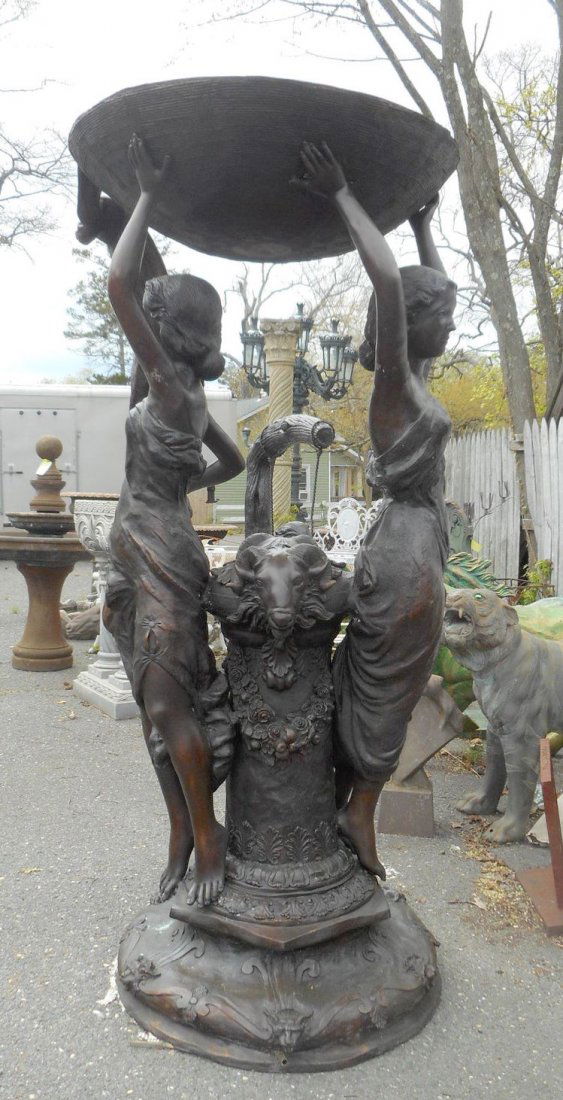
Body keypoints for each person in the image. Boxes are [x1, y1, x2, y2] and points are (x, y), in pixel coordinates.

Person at [294, 142, 455, 878]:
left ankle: (354, 806)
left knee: (397, 682)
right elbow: (389, 284)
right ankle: (356, 809)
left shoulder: (416, 372)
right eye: (442, 316)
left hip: (418, 546)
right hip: (403, 560)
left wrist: (424, 227)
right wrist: (341, 193)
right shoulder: (394, 388)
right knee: (385, 688)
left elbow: (420, 290)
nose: (451, 326)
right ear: (410, 326)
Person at [104, 135, 245, 907]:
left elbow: (119, 283)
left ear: (168, 331)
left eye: (156, 320)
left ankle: (208, 835)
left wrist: (147, 196)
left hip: (160, 550)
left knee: (166, 703)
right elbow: (233, 461)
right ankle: (180, 831)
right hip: (138, 550)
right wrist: (182, 479)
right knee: (151, 709)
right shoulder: (172, 391)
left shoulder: (168, 387)